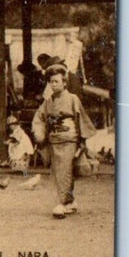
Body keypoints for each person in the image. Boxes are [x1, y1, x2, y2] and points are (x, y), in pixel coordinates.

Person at [32, 65, 96, 219]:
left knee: (65, 170)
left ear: (64, 83)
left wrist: (82, 141)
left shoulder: (73, 99)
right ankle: (70, 202)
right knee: (58, 171)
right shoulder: (48, 102)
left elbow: (81, 119)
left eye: (56, 81)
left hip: (69, 139)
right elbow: (39, 118)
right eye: (50, 82)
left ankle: (61, 203)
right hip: (54, 140)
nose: (53, 84)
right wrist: (39, 133)